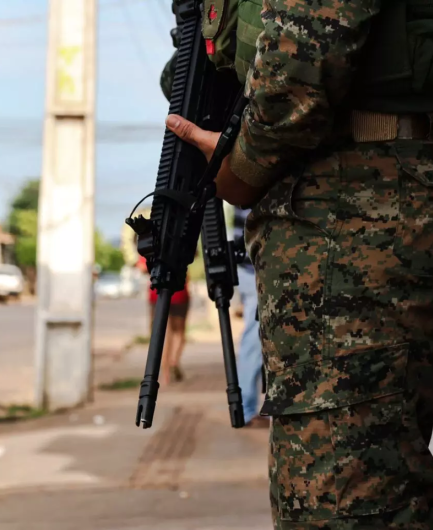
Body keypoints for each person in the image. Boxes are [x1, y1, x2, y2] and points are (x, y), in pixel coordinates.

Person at [163, 0, 433, 528]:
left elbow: (303, 46)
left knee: (343, 504)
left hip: (360, 206)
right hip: (372, 199)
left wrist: (243, 165)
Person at [233, 206, 266, 429]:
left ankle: (246, 409)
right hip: (254, 269)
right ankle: (244, 410)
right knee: (254, 342)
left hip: (253, 267)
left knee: (256, 340)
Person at [137, 255, 190, 385]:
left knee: (163, 334)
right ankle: (174, 360)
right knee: (179, 332)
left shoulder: (153, 244)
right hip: (179, 292)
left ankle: (165, 373)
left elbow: (142, 266)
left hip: (157, 293)